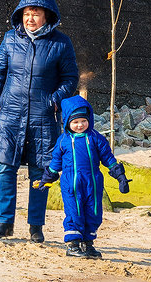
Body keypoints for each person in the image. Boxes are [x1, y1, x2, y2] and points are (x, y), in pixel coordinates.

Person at [0, 0, 78, 243]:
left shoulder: (61, 43)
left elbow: (71, 79)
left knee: (41, 172)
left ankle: (36, 226)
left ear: (47, 16)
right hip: (11, 115)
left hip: (43, 117)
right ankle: (5, 223)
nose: (30, 19)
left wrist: (53, 100)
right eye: (26, 13)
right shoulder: (9, 39)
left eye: (35, 14)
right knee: (5, 168)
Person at [38, 95, 130, 258]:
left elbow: (108, 158)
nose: (80, 125)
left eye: (83, 121)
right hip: (71, 183)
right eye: (75, 122)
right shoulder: (62, 141)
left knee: (93, 212)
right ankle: (73, 245)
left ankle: (88, 244)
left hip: (92, 183)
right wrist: (47, 178)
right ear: (67, 122)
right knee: (74, 211)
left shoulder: (96, 138)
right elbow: (55, 163)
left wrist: (120, 176)